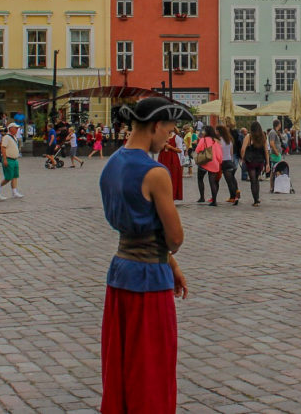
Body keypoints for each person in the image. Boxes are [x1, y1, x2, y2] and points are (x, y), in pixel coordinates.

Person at [99, 98, 190, 413]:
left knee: (121, 364)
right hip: (150, 280)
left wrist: (172, 263)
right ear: (155, 126)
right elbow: (174, 237)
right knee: (151, 369)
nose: (169, 136)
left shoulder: (112, 164)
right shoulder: (155, 172)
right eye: (168, 129)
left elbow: (135, 231)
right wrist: (171, 255)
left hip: (121, 271)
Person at [240, 121, 269, 207]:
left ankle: (255, 200)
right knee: (256, 179)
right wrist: (267, 163)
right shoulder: (263, 137)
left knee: (253, 181)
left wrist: (243, 158)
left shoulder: (248, 137)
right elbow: (266, 151)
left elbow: (242, 149)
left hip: (251, 161)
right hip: (260, 161)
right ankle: (257, 198)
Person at [193, 125, 223, 206]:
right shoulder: (217, 141)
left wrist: (195, 157)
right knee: (212, 182)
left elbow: (197, 149)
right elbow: (220, 154)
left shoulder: (203, 139)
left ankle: (202, 197)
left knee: (200, 179)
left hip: (204, 161)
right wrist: (219, 162)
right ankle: (214, 201)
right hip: (214, 163)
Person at [216, 125, 240, 205]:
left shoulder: (219, 141)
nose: (215, 132)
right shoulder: (229, 140)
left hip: (223, 162)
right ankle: (234, 194)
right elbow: (231, 152)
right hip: (230, 161)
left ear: (219, 132)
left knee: (229, 181)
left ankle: (235, 197)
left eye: (216, 130)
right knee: (232, 179)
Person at [157, 129, 184, 201]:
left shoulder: (176, 137)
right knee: (162, 178)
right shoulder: (162, 137)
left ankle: (172, 197)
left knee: (173, 177)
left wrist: (170, 147)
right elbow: (156, 149)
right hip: (163, 159)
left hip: (172, 160)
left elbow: (180, 150)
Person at [1, 123, 23, 198]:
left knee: (15, 176)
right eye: (15, 128)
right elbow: (3, 147)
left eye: (17, 128)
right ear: (10, 129)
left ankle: (14, 192)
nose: (17, 130)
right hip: (8, 158)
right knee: (8, 177)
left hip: (14, 159)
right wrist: (4, 159)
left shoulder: (14, 137)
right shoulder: (6, 137)